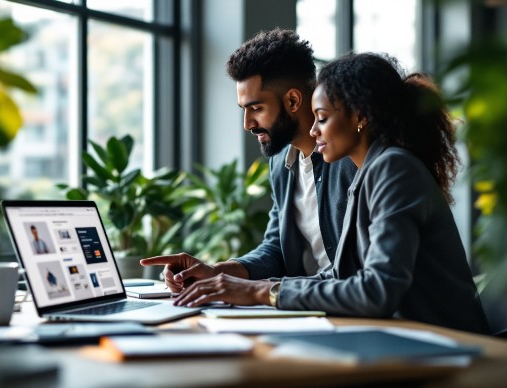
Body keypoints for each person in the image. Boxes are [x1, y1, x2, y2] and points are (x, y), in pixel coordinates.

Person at [168, 52, 489, 334]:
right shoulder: (370, 170)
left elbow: (376, 289)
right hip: (390, 331)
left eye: (321, 118)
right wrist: (236, 281)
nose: (312, 130)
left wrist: (259, 292)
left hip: (441, 342)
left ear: (360, 117)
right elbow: (334, 272)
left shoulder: (390, 168)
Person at [141, 29, 357, 295]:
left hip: (338, 308)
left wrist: (260, 291)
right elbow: (276, 247)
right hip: (298, 306)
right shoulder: (281, 162)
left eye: (256, 108)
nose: (247, 124)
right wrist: (215, 271)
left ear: (292, 100)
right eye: (244, 110)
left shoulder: (350, 160)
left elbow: (354, 271)